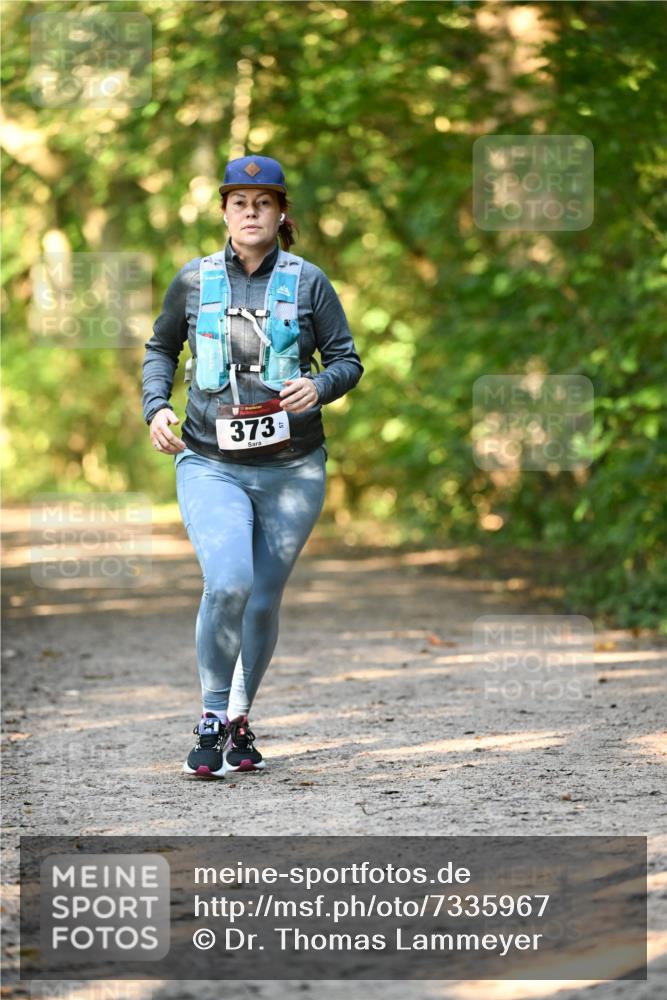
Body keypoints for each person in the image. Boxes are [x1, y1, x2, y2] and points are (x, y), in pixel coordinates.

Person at [142, 154, 364, 778]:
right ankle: (211, 718)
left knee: (264, 598)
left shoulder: (309, 281)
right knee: (230, 582)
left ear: (280, 211)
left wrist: (319, 387)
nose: (250, 211)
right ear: (223, 212)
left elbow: (348, 360)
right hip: (208, 459)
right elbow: (161, 347)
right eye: (239, 202)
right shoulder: (193, 279)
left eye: (262, 202)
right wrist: (155, 406)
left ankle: (241, 714)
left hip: (293, 467)